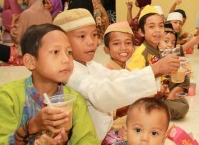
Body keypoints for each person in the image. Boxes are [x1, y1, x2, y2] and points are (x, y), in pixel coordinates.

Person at [52, 8, 180, 142]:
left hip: (102, 135)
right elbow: (101, 94)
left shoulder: (89, 65)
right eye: (82, 36)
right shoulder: (68, 72)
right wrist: (154, 70)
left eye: (94, 35)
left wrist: (153, 73)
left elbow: (117, 76)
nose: (91, 42)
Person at [0, 24, 100, 144]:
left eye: (69, 52)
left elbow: (88, 140)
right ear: (30, 62)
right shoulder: (8, 97)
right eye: (55, 52)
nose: (66, 59)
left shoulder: (75, 100)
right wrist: (31, 126)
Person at [0, 0, 52, 64]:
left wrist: (13, 22)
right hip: (44, 53)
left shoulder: (26, 13)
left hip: (26, 54)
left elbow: (16, 36)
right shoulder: (48, 14)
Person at [102, 21, 136, 144]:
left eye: (128, 43)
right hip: (112, 129)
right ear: (106, 49)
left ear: (133, 47)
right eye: (116, 43)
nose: (123, 48)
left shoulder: (129, 71)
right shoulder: (105, 74)